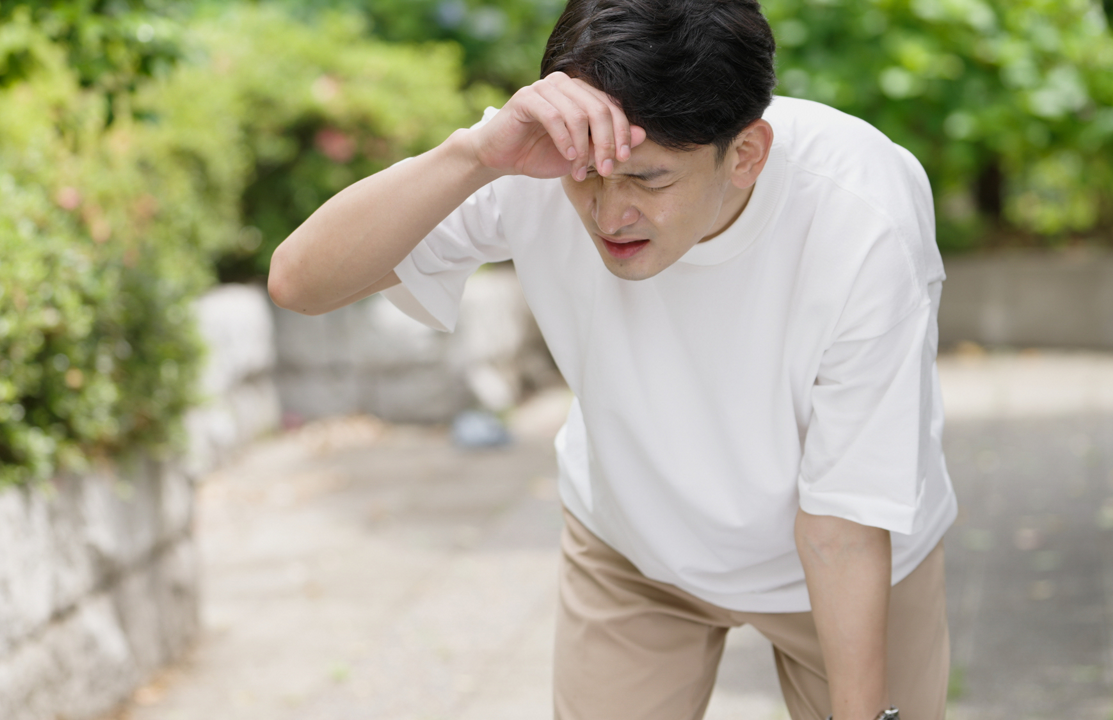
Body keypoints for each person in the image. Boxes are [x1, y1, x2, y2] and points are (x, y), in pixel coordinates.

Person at [267, 0, 957, 718]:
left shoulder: (861, 209)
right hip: (635, 551)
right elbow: (300, 283)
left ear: (746, 154)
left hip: (850, 566)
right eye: (588, 179)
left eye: (649, 181)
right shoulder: (545, 154)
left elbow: (842, 523)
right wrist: (473, 156)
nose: (607, 214)